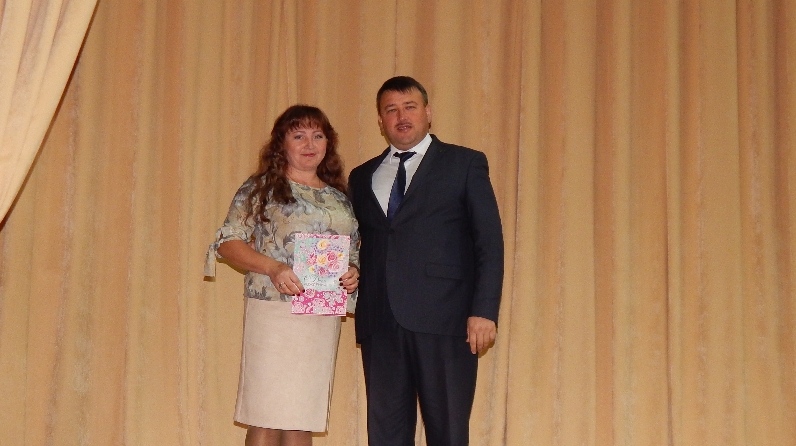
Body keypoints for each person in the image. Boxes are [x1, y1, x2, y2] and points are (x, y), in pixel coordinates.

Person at [348, 76, 504, 445]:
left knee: (447, 432)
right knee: (385, 436)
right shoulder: (361, 175)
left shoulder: (464, 163)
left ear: (428, 112)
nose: (401, 116)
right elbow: (356, 244)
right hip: (380, 322)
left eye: (410, 107)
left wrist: (484, 311)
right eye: (391, 110)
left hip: (445, 319)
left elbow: (488, 242)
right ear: (380, 120)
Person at [205, 105, 360, 446]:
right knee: (266, 415)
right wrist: (273, 267)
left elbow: (352, 250)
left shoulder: (339, 198)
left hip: (320, 317)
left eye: (317, 136)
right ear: (281, 144)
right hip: (274, 313)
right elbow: (227, 242)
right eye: (299, 135)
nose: (310, 144)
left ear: (329, 143)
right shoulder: (261, 188)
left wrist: (352, 271)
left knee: (301, 417)